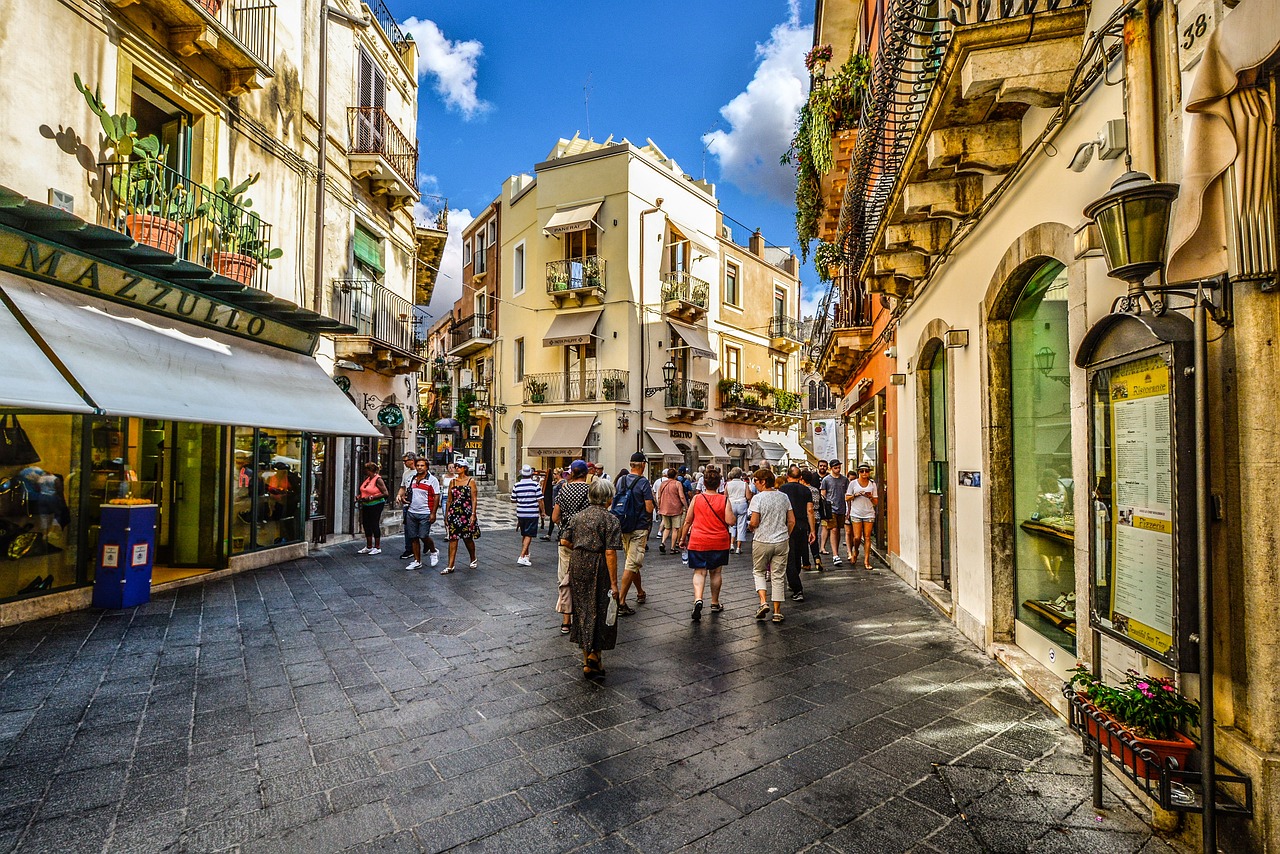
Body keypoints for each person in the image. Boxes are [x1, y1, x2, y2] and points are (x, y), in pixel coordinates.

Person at [560, 478, 621, 679]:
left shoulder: (578, 517)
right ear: (608, 499)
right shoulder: (610, 519)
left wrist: (580, 548)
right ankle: (596, 655)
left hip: (578, 563)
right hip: (599, 564)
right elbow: (611, 552)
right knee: (600, 608)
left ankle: (588, 661)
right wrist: (614, 583)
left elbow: (564, 540)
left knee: (583, 609)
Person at [676, 466, 735, 620]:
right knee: (716, 572)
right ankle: (715, 603)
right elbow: (730, 521)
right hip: (719, 541)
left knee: (699, 572)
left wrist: (682, 539)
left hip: (698, 540)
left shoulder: (697, 498)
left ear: (704, 483)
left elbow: (688, 521)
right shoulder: (724, 499)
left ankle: (698, 599)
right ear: (719, 483)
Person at [748, 469, 794, 623]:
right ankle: (777, 611)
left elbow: (754, 521)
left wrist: (750, 527)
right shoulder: (784, 497)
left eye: (756, 480)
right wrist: (786, 534)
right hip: (781, 540)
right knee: (778, 576)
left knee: (759, 571)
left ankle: (763, 602)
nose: (754, 483)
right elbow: (791, 520)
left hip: (762, 540)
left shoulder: (758, 498)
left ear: (763, 481)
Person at [551, 460, 592, 634]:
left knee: (565, 580)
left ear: (572, 473)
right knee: (584, 579)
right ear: (586, 473)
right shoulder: (590, 490)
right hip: (586, 541)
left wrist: (564, 527)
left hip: (566, 540)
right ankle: (582, 618)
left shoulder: (564, 489)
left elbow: (554, 517)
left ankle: (566, 621)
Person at [614, 452, 655, 615]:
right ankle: (621, 602)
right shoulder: (643, 482)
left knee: (632, 561)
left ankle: (640, 592)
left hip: (623, 525)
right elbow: (649, 508)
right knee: (632, 563)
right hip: (638, 527)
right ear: (643, 465)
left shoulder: (621, 480)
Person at [779, 465, 816, 601]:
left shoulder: (782, 489)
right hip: (802, 525)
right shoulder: (806, 490)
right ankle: (794, 582)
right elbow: (810, 511)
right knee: (799, 555)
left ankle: (796, 588)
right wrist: (812, 530)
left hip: (787, 525)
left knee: (790, 557)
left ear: (787, 476)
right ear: (800, 477)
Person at [441, 459, 480, 574]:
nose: (456, 468)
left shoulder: (470, 481)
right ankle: (450, 565)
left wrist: (473, 514)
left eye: (459, 466)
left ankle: (473, 557)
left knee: (467, 538)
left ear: (465, 468)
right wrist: (447, 515)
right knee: (453, 538)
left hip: (466, 513)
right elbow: (449, 500)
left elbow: (474, 498)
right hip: (454, 512)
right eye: (456, 465)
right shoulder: (452, 482)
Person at [400, 458, 440, 570]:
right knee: (413, 537)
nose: (419, 467)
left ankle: (433, 551)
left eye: (422, 465)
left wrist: (433, 513)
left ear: (427, 467)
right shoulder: (413, 478)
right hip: (411, 511)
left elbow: (436, 496)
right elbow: (410, 492)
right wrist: (404, 498)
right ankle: (417, 561)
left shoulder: (432, 480)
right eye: (418, 465)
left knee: (423, 535)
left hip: (425, 512)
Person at [847, 463, 879, 570]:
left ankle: (866, 561)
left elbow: (876, 502)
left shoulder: (872, 484)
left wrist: (870, 497)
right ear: (858, 472)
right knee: (856, 537)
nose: (864, 473)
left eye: (866, 471)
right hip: (856, 513)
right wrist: (855, 495)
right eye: (862, 471)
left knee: (867, 537)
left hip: (869, 513)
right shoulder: (853, 483)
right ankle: (855, 551)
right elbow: (846, 498)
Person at [511, 464, 544, 566]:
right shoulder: (535, 485)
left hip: (521, 513)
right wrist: (542, 512)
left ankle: (526, 554)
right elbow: (540, 500)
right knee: (529, 534)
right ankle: (521, 556)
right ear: (530, 475)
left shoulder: (516, 485)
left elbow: (513, 499)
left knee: (525, 534)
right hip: (532, 513)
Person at [355, 462, 389, 555]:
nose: (365, 471)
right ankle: (369, 546)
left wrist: (372, 497)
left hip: (376, 504)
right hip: (366, 504)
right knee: (366, 524)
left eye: (366, 470)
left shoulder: (378, 480)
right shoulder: (368, 479)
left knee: (374, 523)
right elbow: (365, 490)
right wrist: (359, 496)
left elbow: (385, 493)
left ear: (370, 470)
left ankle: (377, 547)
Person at [820, 460, 850, 564]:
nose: (838, 469)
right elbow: (823, 495)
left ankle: (836, 551)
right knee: (834, 529)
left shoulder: (844, 480)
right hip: (831, 508)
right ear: (831, 468)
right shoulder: (826, 480)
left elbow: (847, 494)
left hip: (841, 508)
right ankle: (835, 555)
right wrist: (824, 510)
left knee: (838, 531)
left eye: (839, 467)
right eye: (835, 468)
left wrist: (848, 509)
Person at [655, 467, 687, 556]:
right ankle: (672, 548)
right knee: (675, 529)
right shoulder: (677, 484)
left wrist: (659, 506)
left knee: (667, 527)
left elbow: (658, 496)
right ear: (675, 475)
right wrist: (686, 506)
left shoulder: (662, 484)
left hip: (664, 508)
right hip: (675, 509)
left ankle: (663, 542)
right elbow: (682, 496)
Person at [397, 452, 418, 559]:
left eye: (405, 461)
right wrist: (398, 495)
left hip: (418, 504)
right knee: (407, 528)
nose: (404, 463)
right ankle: (409, 549)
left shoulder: (420, 472)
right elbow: (403, 487)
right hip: (407, 504)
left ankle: (427, 545)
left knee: (419, 530)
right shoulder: (406, 473)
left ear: (412, 460)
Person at [724, 467, 750, 554]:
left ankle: (731, 544)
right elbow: (748, 496)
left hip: (731, 504)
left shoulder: (728, 484)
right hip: (742, 504)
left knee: (732, 525)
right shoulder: (744, 484)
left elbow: (725, 495)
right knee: (741, 526)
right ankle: (738, 548)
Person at [803, 469, 824, 572]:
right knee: (814, 538)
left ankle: (806, 562)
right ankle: (817, 558)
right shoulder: (815, 489)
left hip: (807, 516)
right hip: (817, 515)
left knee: (804, 540)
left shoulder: (803, 490)